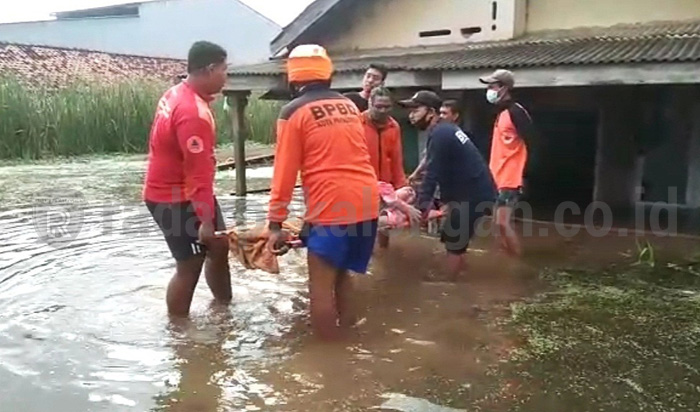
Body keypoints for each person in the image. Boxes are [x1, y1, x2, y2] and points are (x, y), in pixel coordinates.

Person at [265, 44, 380, 341]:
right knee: (342, 276)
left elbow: (285, 173)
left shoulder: (293, 112)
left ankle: (329, 364)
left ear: (293, 77)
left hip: (333, 205)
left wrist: (275, 224)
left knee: (319, 287)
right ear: (328, 73)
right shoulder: (349, 106)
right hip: (366, 203)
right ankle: (351, 339)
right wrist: (307, 224)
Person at [142, 41, 232, 317]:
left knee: (220, 246)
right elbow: (198, 173)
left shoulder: (176, 93)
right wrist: (204, 222)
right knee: (190, 262)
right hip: (174, 197)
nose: (226, 76)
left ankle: (224, 308)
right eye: (224, 69)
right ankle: (178, 331)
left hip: (183, 190)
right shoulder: (194, 114)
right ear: (209, 69)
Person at [399, 91, 496, 276]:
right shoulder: (444, 130)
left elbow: (433, 173)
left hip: (473, 195)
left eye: (415, 109)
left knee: (454, 241)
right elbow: (441, 167)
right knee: (452, 236)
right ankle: (460, 273)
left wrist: (422, 208)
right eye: (409, 110)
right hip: (472, 192)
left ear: (431, 112)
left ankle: (448, 284)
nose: (411, 115)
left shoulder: (441, 133)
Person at [479, 69, 533, 257]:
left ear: (504, 88)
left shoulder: (516, 112)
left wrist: (524, 173)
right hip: (498, 177)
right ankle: (505, 259)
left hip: (511, 178)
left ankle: (517, 262)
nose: (489, 90)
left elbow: (532, 141)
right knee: (497, 224)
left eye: (492, 86)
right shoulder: (502, 113)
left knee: (502, 222)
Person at [361, 86, 407, 249]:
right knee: (362, 227)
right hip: (362, 185)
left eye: (387, 107)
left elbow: (396, 159)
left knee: (386, 225)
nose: (382, 110)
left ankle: (383, 255)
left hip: (386, 186)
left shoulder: (393, 127)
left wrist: (402, 186)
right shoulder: (357, 124)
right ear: (369, 104)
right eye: (378, 106)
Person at [408, 99, 462, 184]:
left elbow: (432, 164)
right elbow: (428, 157)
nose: (441, 116)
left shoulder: (449, 134)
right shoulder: (438, 132)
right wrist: (415, 174)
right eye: (440, 113)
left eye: (444, 113)